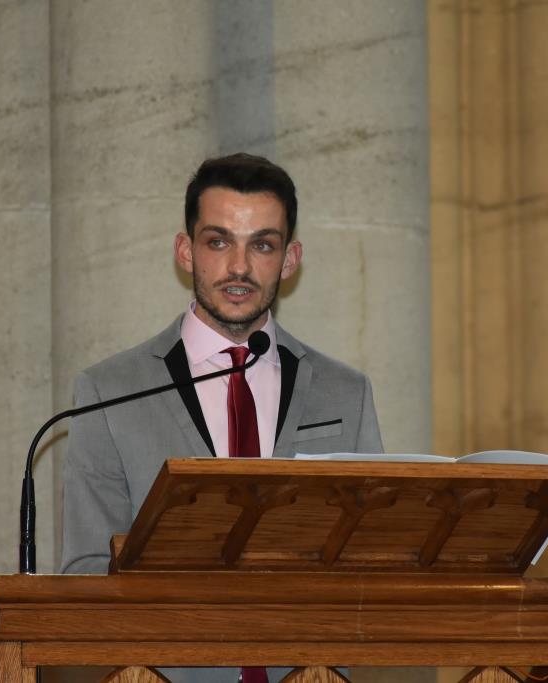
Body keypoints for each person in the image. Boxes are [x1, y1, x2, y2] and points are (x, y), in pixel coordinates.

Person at [60, 153, 384, 575]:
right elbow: (88, 569)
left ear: (289, 259)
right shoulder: (108, 393)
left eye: (263, 245)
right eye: (218, 242)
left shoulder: (346, 393)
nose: (239, 267)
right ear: (185, 251)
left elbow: (376, 554)